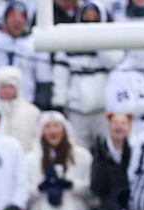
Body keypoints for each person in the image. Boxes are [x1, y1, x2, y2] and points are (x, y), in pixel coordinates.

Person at [52, 2, 123, 149]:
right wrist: (59, 103)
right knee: (78, 152)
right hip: (76, 110)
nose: (90, 19)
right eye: (86, 15)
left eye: (94, 16)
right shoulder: (69, 41)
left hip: (102, 111)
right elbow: (61, 76)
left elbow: (114, 61)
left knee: (106, 151)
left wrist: (97, 39)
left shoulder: (112, 41)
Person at [27, 111, 93, 210]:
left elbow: (90, 190)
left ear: (64, 129)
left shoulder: (82, 156)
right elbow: (25, 192)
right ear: (41, 131)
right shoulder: (31, 159)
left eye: (56, 126)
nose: (53, 131)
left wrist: (71, 184)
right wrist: (40, 187)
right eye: (47, 127)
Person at [0, 66, 42, 153]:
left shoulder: (32, 112)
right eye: (4, 87)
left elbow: (38, 140)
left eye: (11, 87)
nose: (7, 91)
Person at [91, 113, 132, 210]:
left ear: (130, 127)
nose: (119, 126)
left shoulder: (135, 150)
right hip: (108, 205)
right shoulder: (99, 150)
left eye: (123, 123)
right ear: (109, 126)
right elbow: (97, 186)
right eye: (115, 122)